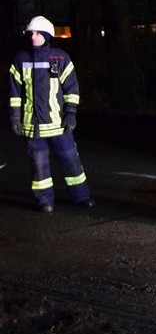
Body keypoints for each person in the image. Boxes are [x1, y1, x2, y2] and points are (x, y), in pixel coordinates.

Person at [8, 16, 94, 213]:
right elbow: (14, 93)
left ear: (47, 35)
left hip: (58, 122)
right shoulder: (20, 59)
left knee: (71, 160)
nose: (33, 36)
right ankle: (44, 201)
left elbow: (71, 89)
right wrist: (14, 117)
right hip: (32, 123)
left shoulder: (61, 58)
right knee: (39, 165)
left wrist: (71, 113)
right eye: (31, 33)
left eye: (38, 33)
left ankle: (81, 196)